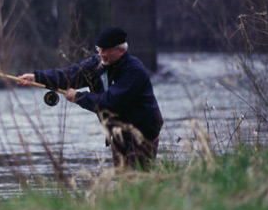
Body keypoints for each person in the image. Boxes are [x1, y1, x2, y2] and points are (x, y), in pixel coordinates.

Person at [17, 27, 164, 171]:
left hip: (143, 131)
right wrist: (37, 77)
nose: (101, 54)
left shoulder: (134, 71)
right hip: (118, 132)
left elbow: (110, 102)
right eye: (99, 49)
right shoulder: (97, 64)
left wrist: (78, 97)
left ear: (121, 51)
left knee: (138, 178)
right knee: (124, 181)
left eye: (106, 50)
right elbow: (69, 75)